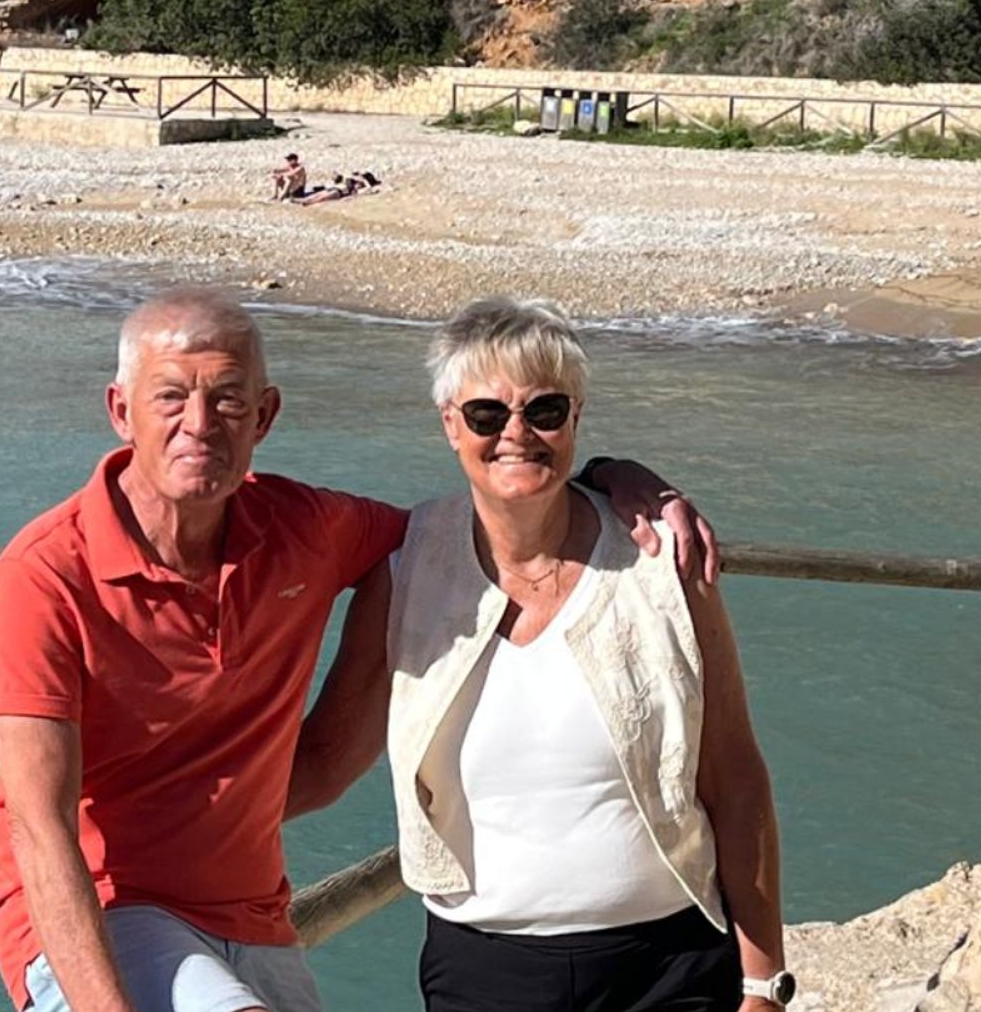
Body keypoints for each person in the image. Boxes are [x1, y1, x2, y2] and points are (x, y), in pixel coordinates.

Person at [0, 289, 721, 1012]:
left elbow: (481, 522)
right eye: (170, 396)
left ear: (265, 415)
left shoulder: (303, 529)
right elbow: (38, 825)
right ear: (120, 412)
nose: (199, 424)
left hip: (250, 914)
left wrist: (612, 478)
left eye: (228, 399)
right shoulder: (47, 574)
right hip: (104, 911)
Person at [294, 298, 790, 1012]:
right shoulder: (406, 574)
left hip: (670, 968)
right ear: (450, 424)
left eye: (545, 410)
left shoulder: (663, 564)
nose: (516, 433)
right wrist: (152, 824)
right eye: (486, 414)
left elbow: (735, 777)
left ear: (576, 416)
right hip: (483, 974)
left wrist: (763, 983)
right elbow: (322, 765)